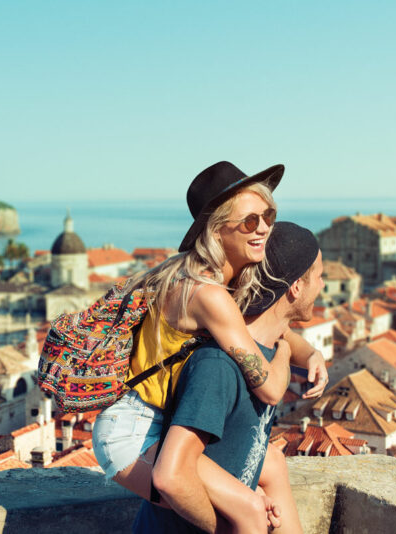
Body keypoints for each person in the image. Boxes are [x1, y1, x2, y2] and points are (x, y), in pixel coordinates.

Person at [92, 162, 327, 532]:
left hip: (154, 419)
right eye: (250, 221)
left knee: (271, 466)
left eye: (268, 215)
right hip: (133, 433)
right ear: (217, 230)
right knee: (246, 510)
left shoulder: (208, 278)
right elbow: (269, 386)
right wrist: (284, 351)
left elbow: (256, 330)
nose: (264, 227)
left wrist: (310, 353)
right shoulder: (209, 294)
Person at [135, 221, 325, 533]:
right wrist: (245, 515)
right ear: (295, 286)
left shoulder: (267, 356)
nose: (322, 285)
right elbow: (174, 473)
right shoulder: (218, 366)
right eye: (319, 275)